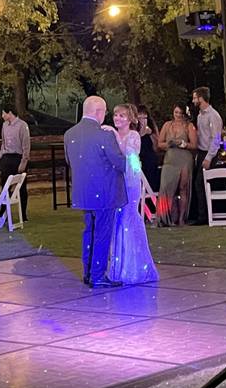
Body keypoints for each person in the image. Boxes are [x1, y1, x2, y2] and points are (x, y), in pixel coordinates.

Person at [64, 95, 128, 288]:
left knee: (88, 232)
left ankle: (88, 272)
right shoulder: (105, 135)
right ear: (99, 112)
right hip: (105, 194)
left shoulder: (69, 134)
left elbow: (69, 161)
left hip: (83, 193)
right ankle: (98, 275)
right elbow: (121, 163)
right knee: (101, 234)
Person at [104, 104, 158, 284]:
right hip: (116, 182)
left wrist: (113, 133)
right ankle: (119, 267)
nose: (117, 118)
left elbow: (130, 156)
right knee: (118, 222)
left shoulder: (133, 136)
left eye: (121, 116)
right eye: (115, 115)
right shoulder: (112, 134)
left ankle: (133, 267)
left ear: (129, 119)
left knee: (128, 219)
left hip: (130, 183)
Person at [157, 104, 197, 226]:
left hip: (184, 158)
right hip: (170, 159)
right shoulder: (167, 125)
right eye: (176, 112)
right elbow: (159, 144)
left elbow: (194, 145)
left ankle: (181, 218)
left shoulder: (189, 126)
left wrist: (183, 143)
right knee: (167, 188)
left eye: (180, 113)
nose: (178, 115)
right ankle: (167, 217)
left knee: (183, 188)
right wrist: (169, 144)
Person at [190, 87, 223, 225]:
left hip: (209, 153)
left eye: (195, 98)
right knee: (199, 184)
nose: (193, 100)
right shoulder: (200, 115)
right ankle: (202, 215)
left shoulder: (213, 116)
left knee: (201, 183)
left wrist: (209, 157)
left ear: (201, 98)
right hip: (202, 152)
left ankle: (204, 216)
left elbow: (216, 139)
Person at [0, 105, 31, 221]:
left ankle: (23, 214)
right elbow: (3, 142)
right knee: (5, 186)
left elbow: (26, 146)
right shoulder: (4, 125)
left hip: (18, 157)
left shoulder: (22, 125)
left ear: (10, 113)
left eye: (3, 113)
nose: (2, 116)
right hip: (7, 158)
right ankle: (3, 213)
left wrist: (24, 162)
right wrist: (0, 156)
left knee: (21, 187)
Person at [135, 105, 160, 194]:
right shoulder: (133, 128)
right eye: (140, 117)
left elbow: (157, 147)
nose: (142, 120)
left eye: (144, 117)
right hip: (137, 159)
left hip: (149, 159)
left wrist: (150, 134)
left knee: (151, 183)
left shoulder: (151, 127)